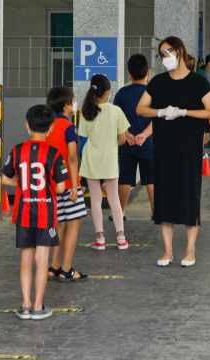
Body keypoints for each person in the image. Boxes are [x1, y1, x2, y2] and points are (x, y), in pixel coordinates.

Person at [137, 36, 210, 267]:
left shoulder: (198, 82)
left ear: (180, 51)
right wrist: (160, 112)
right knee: (164, 197)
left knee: (190, 195)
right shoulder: (158, 82)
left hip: (189, 147)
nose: (164, 58)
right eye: (161, 54)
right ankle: (167, 250)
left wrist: (185, 112)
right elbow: (141, 108)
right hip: (163, 147)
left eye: (167, 52)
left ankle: (190, 249)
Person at [1, 105, 68, 319]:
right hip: (45, 214)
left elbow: (3, 178)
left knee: (26, 259)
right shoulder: (54, 153)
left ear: (27, 125)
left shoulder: (17, 150)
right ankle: (39, 307)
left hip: (23, 212)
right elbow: (60, 187)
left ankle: (25, 305)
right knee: (42, 259)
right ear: (50, 129)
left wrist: (22, 186)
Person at [79, 74, 131, 250]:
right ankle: (121, 237)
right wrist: (109, 144)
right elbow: (122, 139)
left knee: (95, 200)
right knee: (113, 197)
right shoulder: (116, 111)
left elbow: (83, 138)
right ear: (107, 92)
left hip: (90, 161)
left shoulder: (86, 112)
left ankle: (100, 238)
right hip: (110, 160)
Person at [45, 86, 89, 282]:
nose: (74, 103)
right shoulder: (69, 127)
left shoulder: (46, 125)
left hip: (51, 184)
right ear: (66, 105)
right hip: (68, 183)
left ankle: (54, 266)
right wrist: (75, 185)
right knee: (73, 224)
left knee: (59, 224)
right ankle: (67, 268)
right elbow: (72, 157)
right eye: (72, 100)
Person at [112, 53, 155, 221]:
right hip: (148, 143)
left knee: (125, 178)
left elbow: (117, 119)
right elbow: (156, 118)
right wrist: (143, 135)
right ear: (148, 73)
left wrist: (128, 135)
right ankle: (155, 212)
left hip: (126, 143)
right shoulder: (152, 93)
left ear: (129, 74)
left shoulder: (121, 94)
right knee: (151, 180)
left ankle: (120, 212)